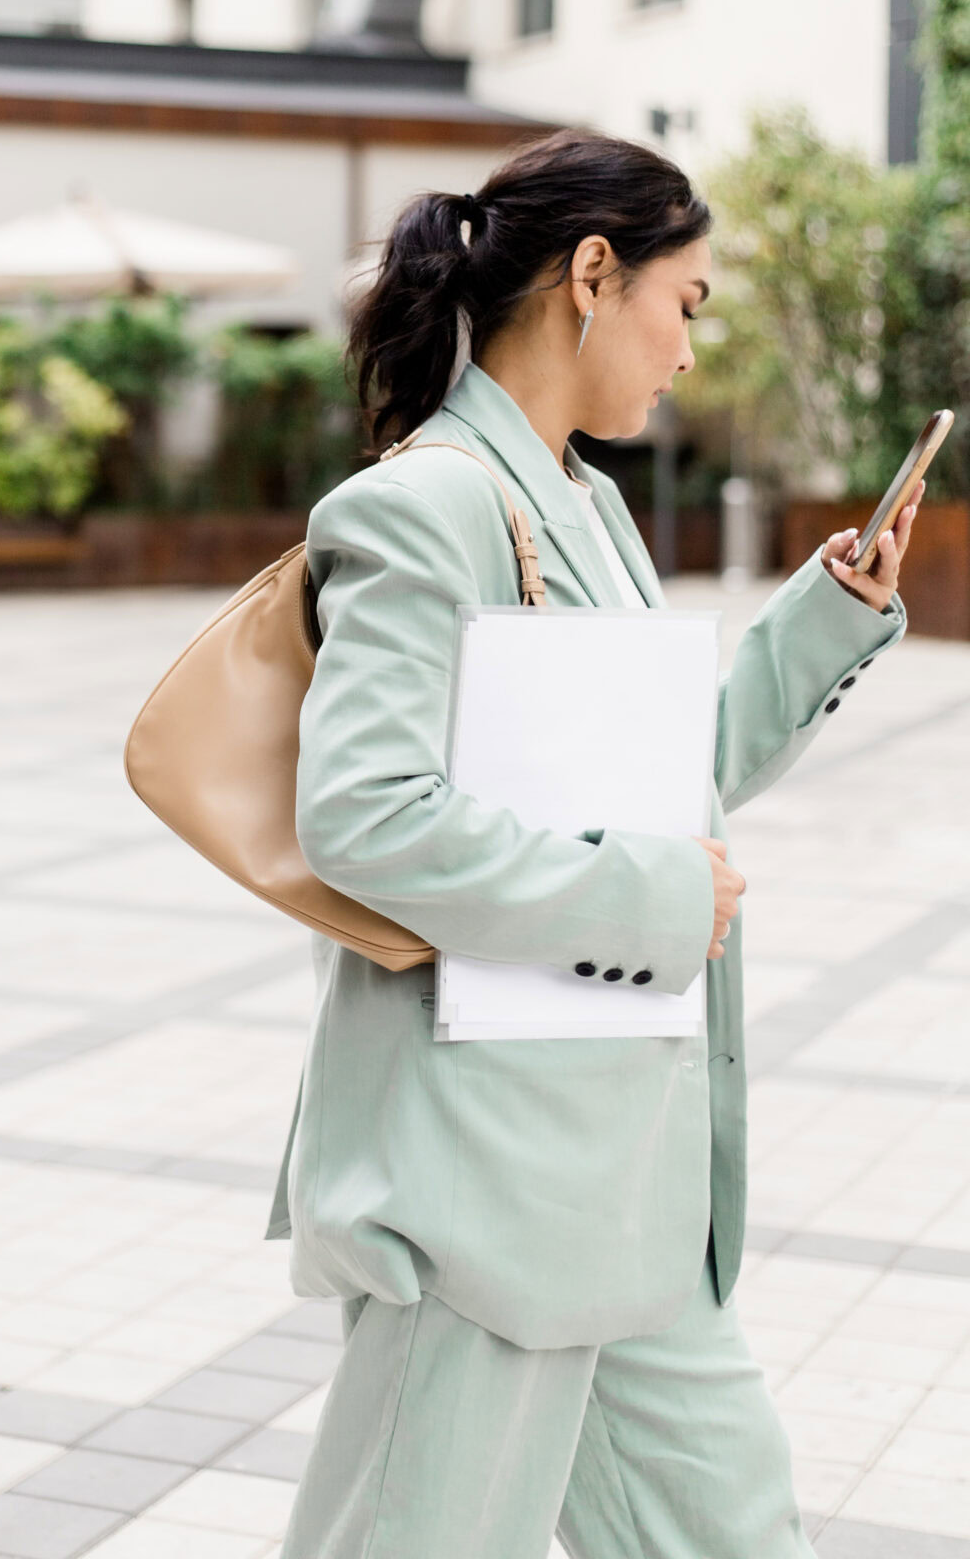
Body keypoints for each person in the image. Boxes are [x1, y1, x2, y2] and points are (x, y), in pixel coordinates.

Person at [263, 129, 921, 1559]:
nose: (689, 352)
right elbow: (363, 815)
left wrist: (828, 612)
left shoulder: (592, 506)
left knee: (740, 1532)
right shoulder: (422, 504)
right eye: (685, 307)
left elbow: (659, 781)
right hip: (488, 1185)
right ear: (592, 273)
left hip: (625, 1175)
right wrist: (650, 899)